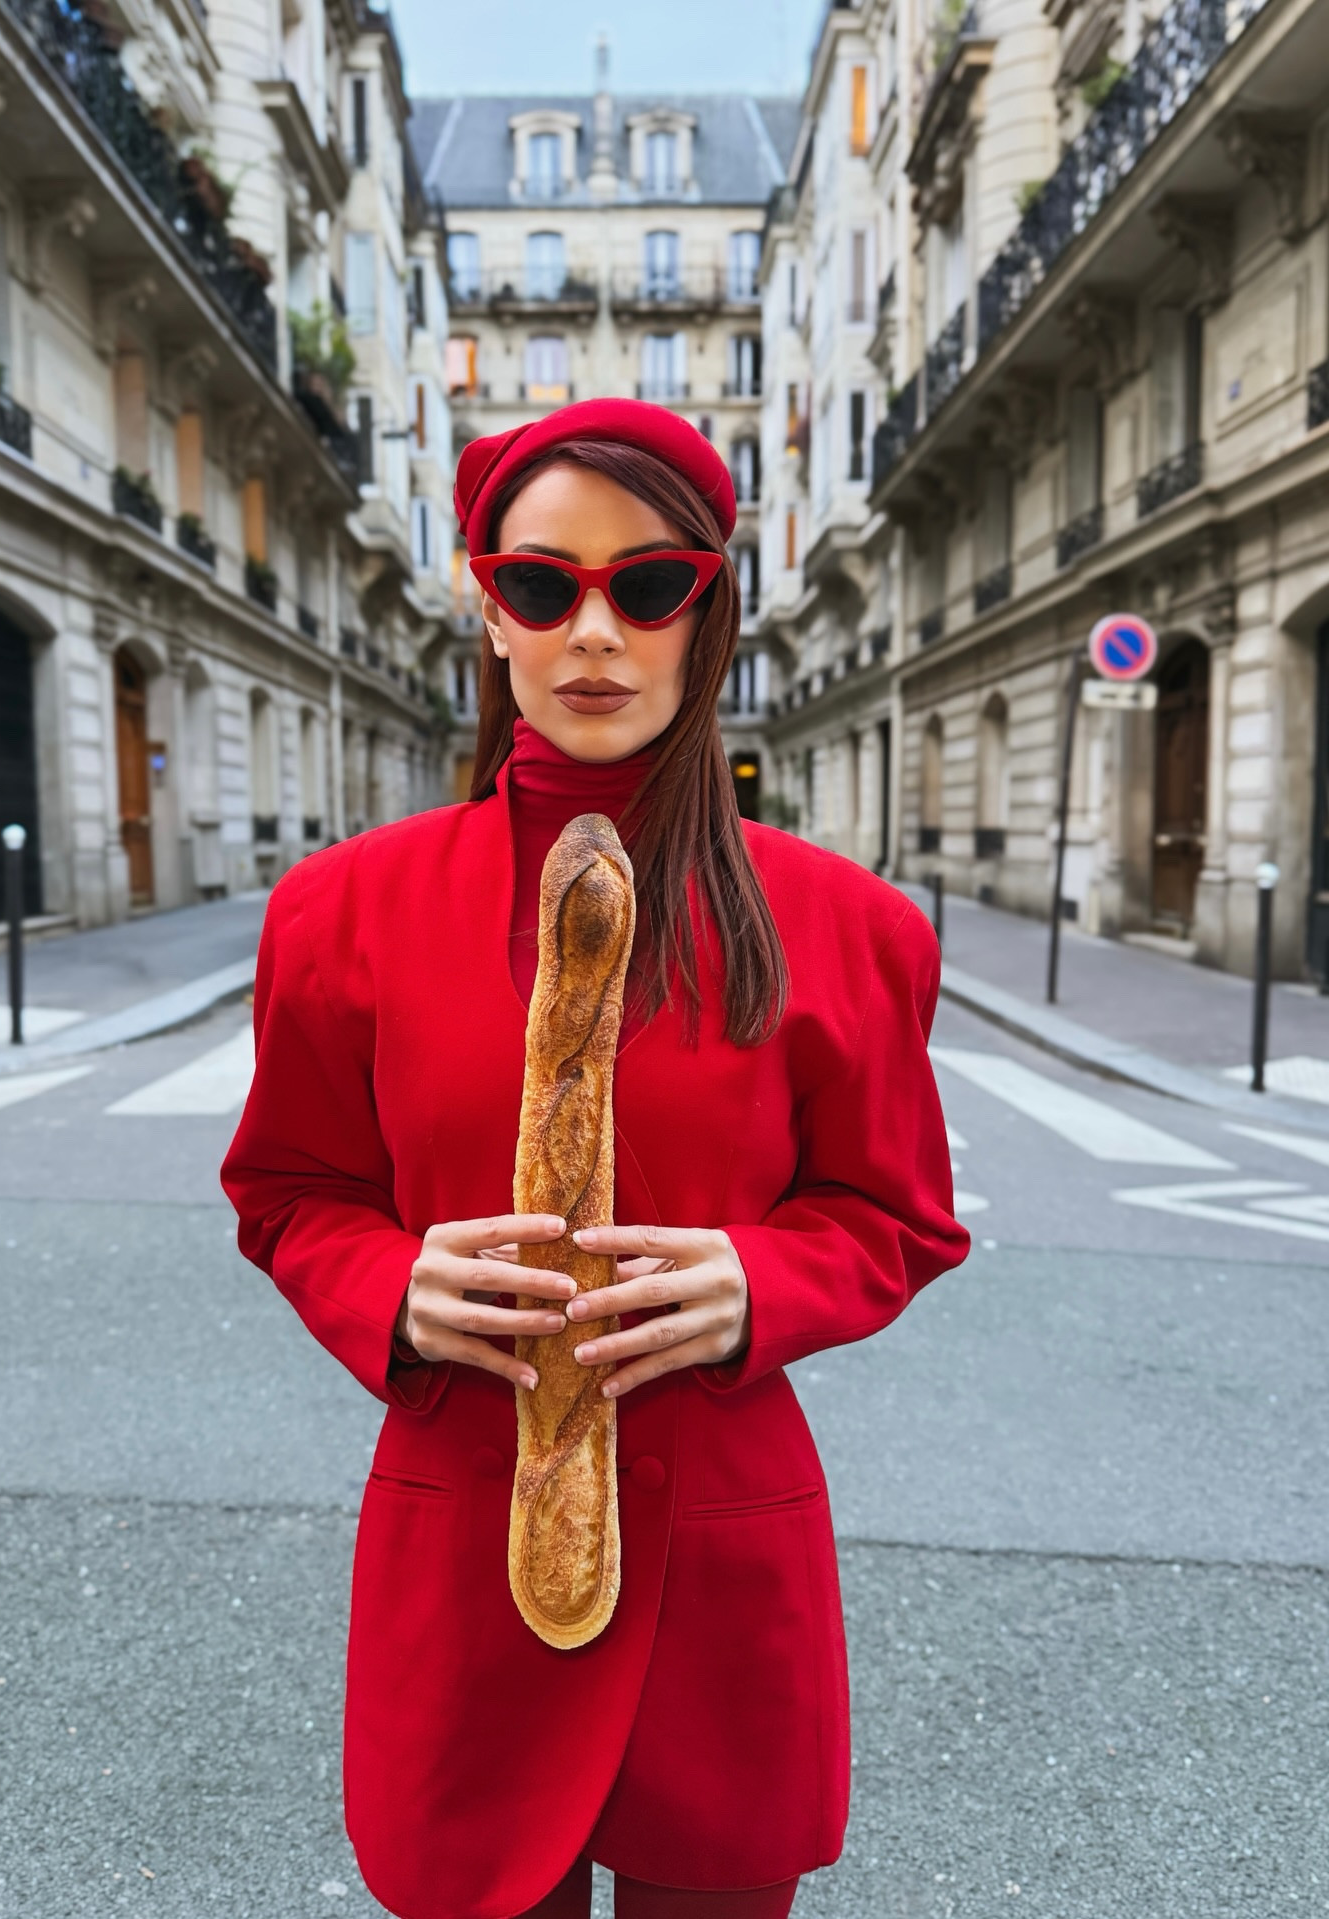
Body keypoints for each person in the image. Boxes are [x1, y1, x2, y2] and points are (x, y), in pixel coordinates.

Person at [221, 397, 968, 1919]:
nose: (595, 633)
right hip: (463, 1515)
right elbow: (290, 1192)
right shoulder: (337, 914)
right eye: (544, 585)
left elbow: (894, 1215)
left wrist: (759, 1281)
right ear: (488, 611)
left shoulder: (849, 927)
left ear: (708, 616)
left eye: (649, 586)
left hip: (720, 1533)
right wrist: (392, 1286)